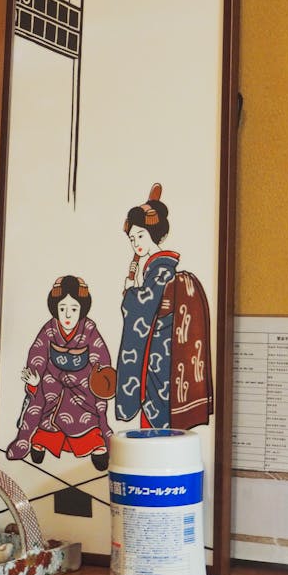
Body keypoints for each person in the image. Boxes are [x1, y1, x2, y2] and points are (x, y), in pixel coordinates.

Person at [115, 183, 213, 429]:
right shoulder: (154, 268)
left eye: (141, 235)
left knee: (157, 413)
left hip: (160, 352)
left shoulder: (161, 268)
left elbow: (144, 305)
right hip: (156, 349)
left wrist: (130, 293)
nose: (136, 243)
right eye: (132, 238)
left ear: (156, 234)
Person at [6, 275, 113, 470]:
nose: (67, 315)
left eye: (73, 309)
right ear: (56, 308)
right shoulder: (49, 329)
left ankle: (96, 446)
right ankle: (38, 442)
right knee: (42, 400)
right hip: (52, 376)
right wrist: (35, 377)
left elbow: (100, 355)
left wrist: (100, 375)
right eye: (62, 309)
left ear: (82, 309)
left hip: (82, 382)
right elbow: (37, 352)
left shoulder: (88, 328)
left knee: (89, 412)